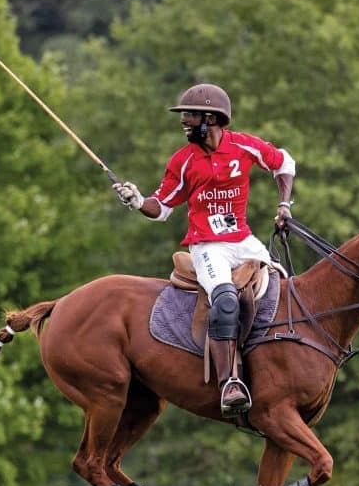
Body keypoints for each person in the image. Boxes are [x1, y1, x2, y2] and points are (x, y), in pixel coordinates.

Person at [113, 83, 296, 417]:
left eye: (190, 115)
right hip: (207, 247)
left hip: (242, 241)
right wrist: (138, 201)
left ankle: (276, 365)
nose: (184, 121)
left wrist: (284, 205)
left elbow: (285, 163)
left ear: (211, 118)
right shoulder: (183, 161)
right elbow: (162, 207)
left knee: (282, 288)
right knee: (225, 299)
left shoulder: (244, 146)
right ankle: (230, 383)